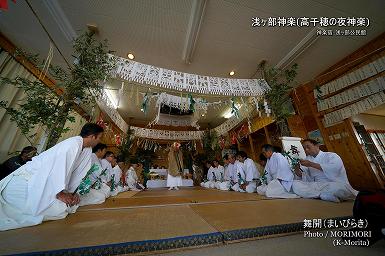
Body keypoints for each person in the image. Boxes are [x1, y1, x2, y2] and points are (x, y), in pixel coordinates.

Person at [0, 123, 103, 231]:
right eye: (99, 138)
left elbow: (77, 174)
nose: (99, 141)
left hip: (51, 184)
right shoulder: (72, 145)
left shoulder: (86, 149)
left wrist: (73, 192)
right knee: (59, 210)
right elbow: (56, 170)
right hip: (30, 180)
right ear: (92, 136)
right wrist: (59, 194)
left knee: (66, 206)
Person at [292, 139, 358, 202]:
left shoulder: (331, 155)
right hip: (317, 185)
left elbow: (335, 169)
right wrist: (297, 169)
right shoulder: (307, 159)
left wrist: (311, 164)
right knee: (295, 184)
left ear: (317, 145)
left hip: (331, 183)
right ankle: (321, 195)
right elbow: (304, 176)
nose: (306, 149)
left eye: (308, 147)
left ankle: (318, 194)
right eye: (304, 148)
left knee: (340, 188)